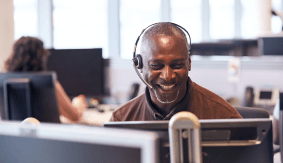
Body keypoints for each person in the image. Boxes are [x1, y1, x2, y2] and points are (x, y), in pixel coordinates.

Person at [110, 22, 242, 121]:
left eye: (177, 65)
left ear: (189, 63)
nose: (167, 76)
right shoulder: (122, 120)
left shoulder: (224, 116)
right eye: (156, 66)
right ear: (139, 65)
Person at [5, 36, 88, 121]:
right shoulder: (47, 82)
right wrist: (78, 102)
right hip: (47, 133)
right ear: (41, 57)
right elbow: (74, 116)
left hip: (14, 133)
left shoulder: (5, 82)